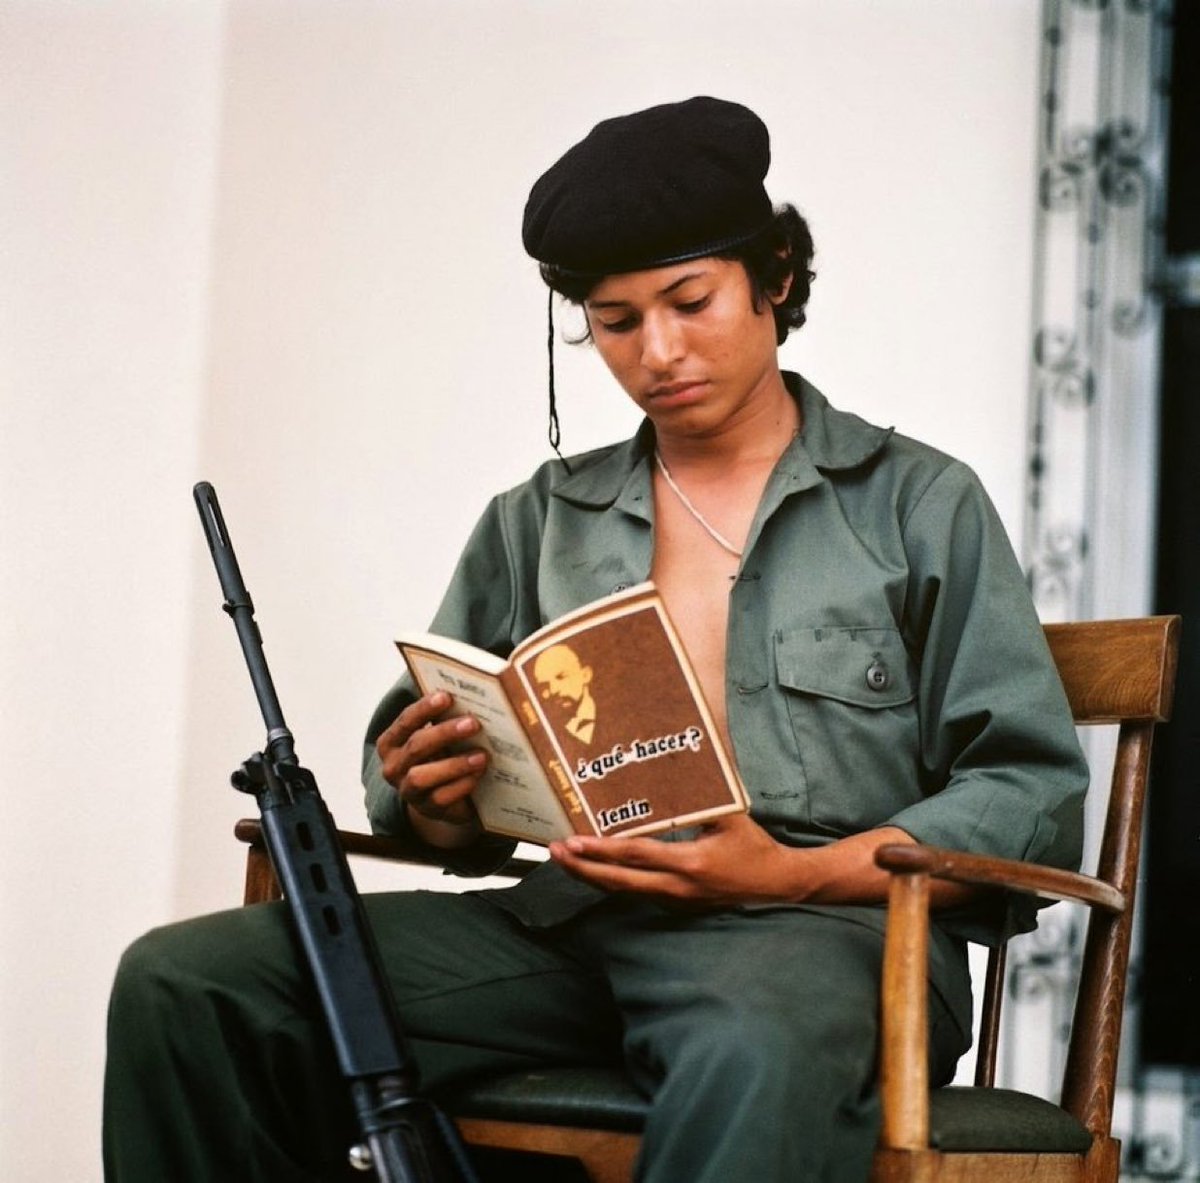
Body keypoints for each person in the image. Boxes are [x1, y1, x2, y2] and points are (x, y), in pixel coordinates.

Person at [104, 97, 1088, 1183]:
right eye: (617, 322)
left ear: (776, 277)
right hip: (571, 927)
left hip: (829, 938)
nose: (659, 351)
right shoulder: (539, 517)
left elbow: (1028, 788)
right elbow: (437, 789)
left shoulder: (917, 504)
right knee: (187, 984)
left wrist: (795, 872)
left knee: (751, 1049)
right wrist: (433, 790)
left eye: (690, 300)